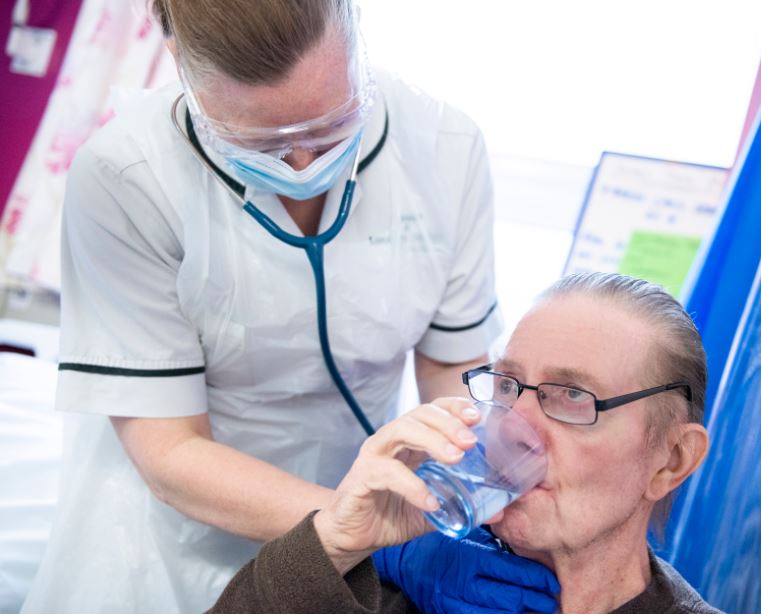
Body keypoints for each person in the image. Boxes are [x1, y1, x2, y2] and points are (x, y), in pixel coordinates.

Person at [21, 1, 560, 612]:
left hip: (361, 514)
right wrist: (375, 535)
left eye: (331, 125)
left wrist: (469, 487)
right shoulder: (126, 176)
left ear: (358, 34)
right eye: (262, 142)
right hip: (173, 539)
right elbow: (171, 453)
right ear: (180, 65)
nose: (304, 163)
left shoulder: (445, 147)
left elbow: (449, 372)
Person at [210, 272, 723, 613]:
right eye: (505, 386)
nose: (513, 425)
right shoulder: (393, 594)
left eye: (571, 396)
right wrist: (334, 543)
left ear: (670, 460)